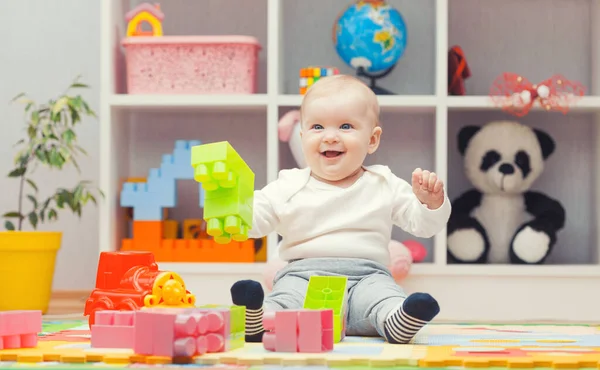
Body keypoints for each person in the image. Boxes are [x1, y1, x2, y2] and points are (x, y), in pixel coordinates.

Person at [230, 74, 451, 344]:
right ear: (302, 138)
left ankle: (395, 320)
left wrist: (431, 203)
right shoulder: (288, 184)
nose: (330, 136)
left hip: (368, 275)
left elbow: (423, 225)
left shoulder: (384, 183)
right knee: (287, 298)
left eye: (345, 126)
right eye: (317, 127)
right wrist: (230, 209)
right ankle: (261, 320)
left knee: (384, 297)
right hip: (303, 274)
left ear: (372, 139)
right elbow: (255, 219)